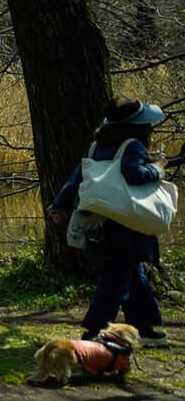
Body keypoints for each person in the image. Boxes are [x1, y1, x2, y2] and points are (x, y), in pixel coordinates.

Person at [49, 98, 172, 349]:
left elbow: (77, 177)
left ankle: (144, 328)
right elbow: (134, 174)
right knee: (115, 280)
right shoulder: (133, 146)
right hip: (126, 224)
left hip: (101, 223)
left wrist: (59, 205)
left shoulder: (96, 146)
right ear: (139, 125)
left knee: (133, 276)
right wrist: (158, 168)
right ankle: (93, 332)